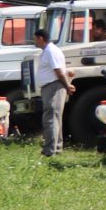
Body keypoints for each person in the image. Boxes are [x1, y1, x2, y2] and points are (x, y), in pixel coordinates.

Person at [32, 27, 75, 158]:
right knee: (54, 118)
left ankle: (49, 151)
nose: (34, 41)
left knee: (50, 118)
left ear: (40, 38)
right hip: (50, 86)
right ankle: (56, 148)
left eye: (35, 38)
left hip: (53, 86)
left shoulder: (51, 51)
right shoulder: (48, 51)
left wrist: (67, 85)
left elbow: (58, 71)